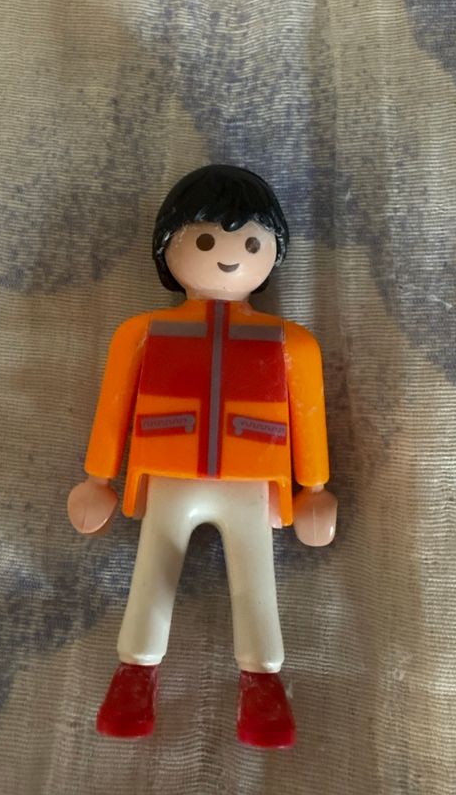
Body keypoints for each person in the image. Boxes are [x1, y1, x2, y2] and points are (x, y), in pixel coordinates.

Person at [68, 164, 336, 748]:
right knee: (152, 571)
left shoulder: (293, 344)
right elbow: (113, 407)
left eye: (251, 244)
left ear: (274, 253)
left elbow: (309, 418)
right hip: (169, 473)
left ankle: (263, 685)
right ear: (168, 248)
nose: (230, 256)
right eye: (207, 241)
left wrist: (314, 489)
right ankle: (134, 675)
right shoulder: (141, 332)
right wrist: (97, 479)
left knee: (255, 577)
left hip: (252, 478)